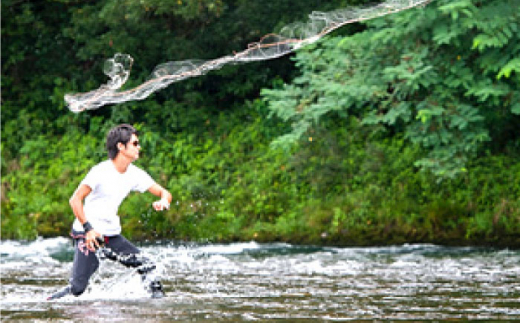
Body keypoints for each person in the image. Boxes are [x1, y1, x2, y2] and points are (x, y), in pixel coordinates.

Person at [48, 124, 172, 300]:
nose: (139, 147)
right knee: (77, 289)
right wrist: (88, 229)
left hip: (111, 235)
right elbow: (75, 200)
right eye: (135, 143)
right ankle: (47, 303)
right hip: (88, 234)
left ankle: (159, 306)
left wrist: (164, 201)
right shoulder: (100, 171)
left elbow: (164, 192)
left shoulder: (135, 174)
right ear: (121, 146)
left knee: (147, 266)